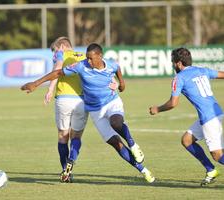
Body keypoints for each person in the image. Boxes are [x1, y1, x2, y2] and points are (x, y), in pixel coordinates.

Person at [21, 43, 154, 183]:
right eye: (87, 58)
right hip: (95, 111)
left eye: (91, 58)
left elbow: (119, 74)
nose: (88, 61)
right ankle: (143, 170)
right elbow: (58, 72)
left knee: (116, 122)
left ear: (100, 56)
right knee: (116, 144)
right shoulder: (81, 66)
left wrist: (121, 85)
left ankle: (133, 144)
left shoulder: (111, 65)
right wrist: (36, 83)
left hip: (111, 103)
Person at [149, 47, 224, 186]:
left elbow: (173, 103)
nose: (172, 65)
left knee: (218, 155)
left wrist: (157, 109)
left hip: (209, 118)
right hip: (215, 112)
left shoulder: (179, 77)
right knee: (187, 140)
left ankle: (212, 167)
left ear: (178, 63)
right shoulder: (202, 70)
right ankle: (210, 170)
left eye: (173, 62)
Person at [45, 37, 88, 182]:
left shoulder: (61, 54)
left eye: (55, 50)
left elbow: (57, 68)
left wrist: (50, 89)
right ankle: (72, 159)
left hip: (63, 99)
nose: (54, 54)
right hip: (82, 100)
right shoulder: (83, 55)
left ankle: (65, 170)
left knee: (63, 136)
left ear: (62, 46)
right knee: (76, 137)